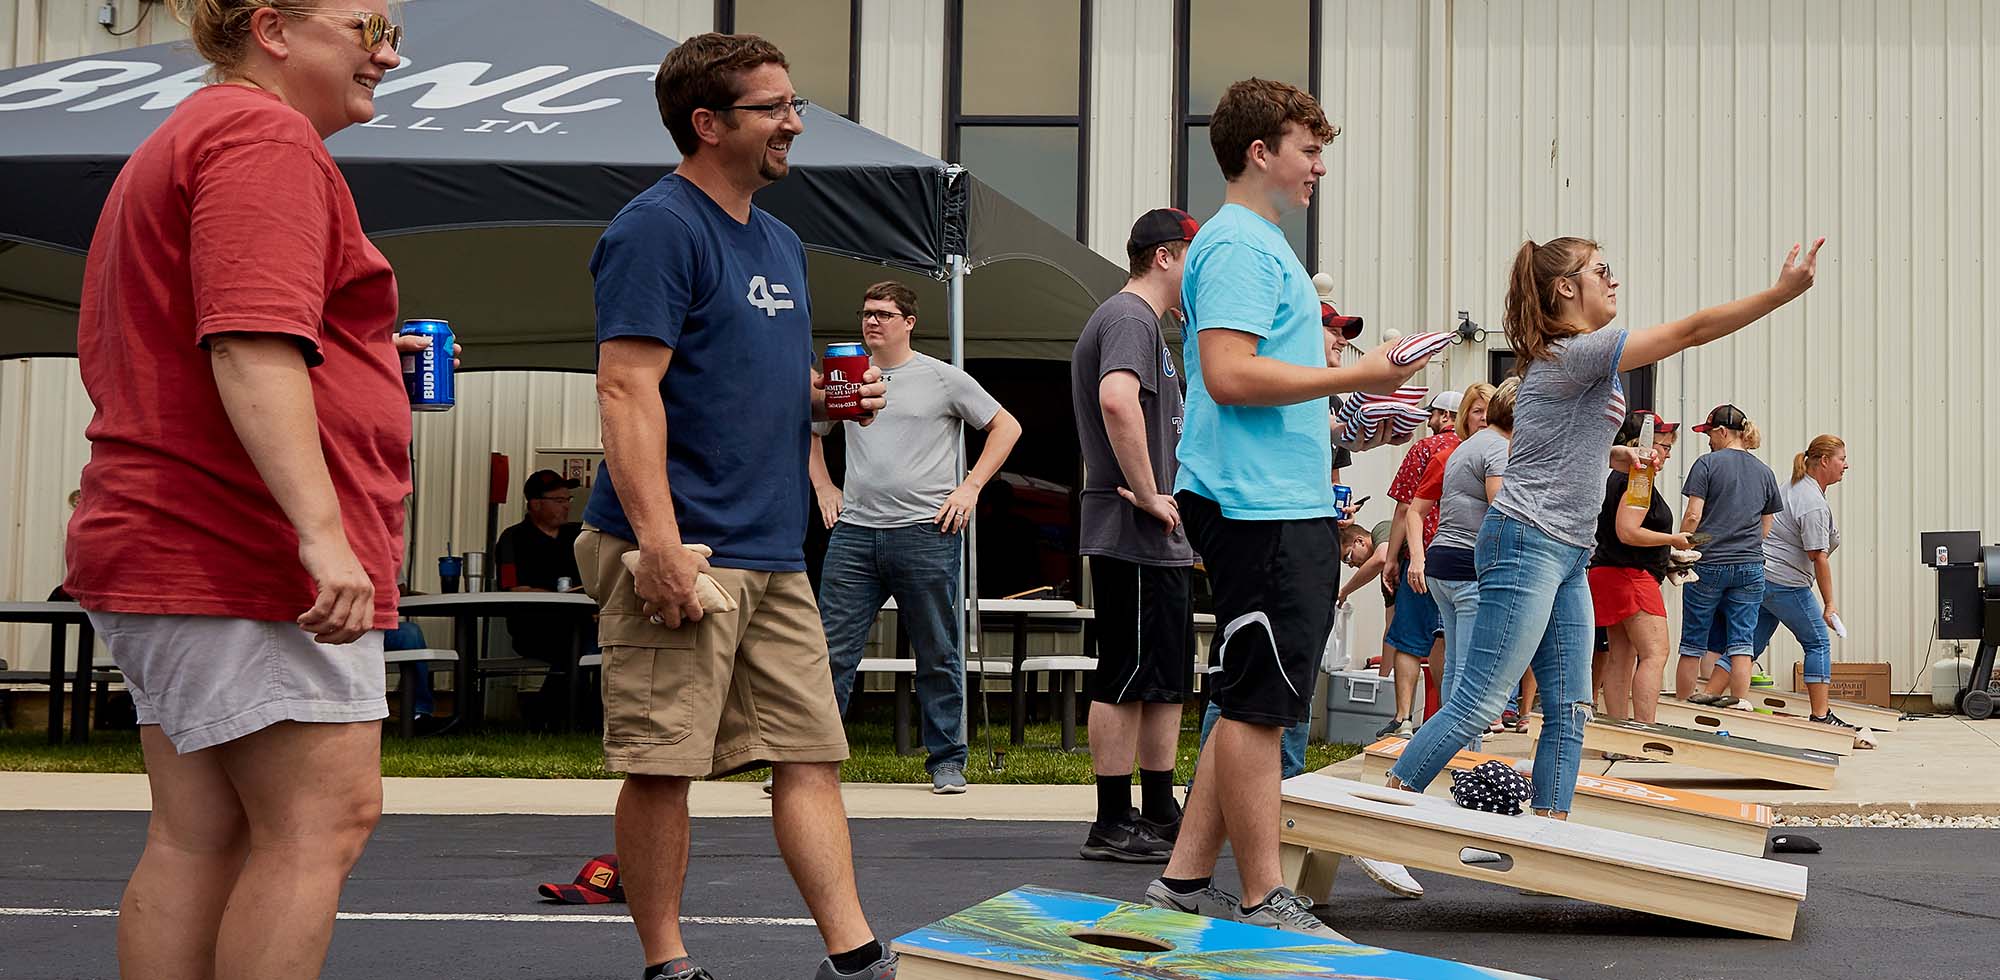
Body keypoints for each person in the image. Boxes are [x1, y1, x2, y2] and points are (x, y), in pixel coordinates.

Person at [61, 4, 421, 977]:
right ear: (272, 27)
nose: (388, 52)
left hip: (173, 532)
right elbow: (251, 341)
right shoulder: (263, 136)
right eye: (365, 25)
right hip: (234, 543)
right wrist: (323, 534)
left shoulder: (194, 132)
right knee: (322, 818)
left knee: (202, 833)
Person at [576, 33, 898, 980]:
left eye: (794, 105)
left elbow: (747, 376)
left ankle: (854, 956)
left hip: (773, 546)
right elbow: (626, 390)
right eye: (774, 109)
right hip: (682, 547)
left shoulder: (780, 240)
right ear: (708, 124)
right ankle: (666, 963)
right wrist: (659, 546)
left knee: (810, 753)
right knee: (663, 760)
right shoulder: (655, 228)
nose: (795, 123)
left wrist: (827, 400)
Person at [1386, 234, 1823, 822]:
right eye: (1601, 270)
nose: (1614, 280)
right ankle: (1388, 802)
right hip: (1527, 540)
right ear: (1566, 288)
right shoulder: (1578, 351)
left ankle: (1550, 831)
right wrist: (1778, 294)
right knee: (1482, 696)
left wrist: (1620, 459)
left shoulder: (1569, 360)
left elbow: (1553, 443)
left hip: (1568, 549)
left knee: (1569, 708)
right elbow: (1690, 331)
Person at [1141, 76, 1432, 941]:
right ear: (1260, 153)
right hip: (1256, 506)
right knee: (1265, 703)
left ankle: (1185, 881)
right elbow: (1229, 376)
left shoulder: (1251, 244)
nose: (1319, 168)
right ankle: (1267, 897)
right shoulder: (1238, 246)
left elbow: (1256, 379)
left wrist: (1355, 408)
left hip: (1275, 500)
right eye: (1310, 150)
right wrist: (1362, 372)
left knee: (1247, 696)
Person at [810, 280, 1022, 795]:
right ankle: (810, 764)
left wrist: (970, 488)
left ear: (909, 322)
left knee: (937, 650)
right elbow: (810, 431)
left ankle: (948, 760)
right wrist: (823, 485)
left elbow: (1006, 426)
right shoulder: (847, 377)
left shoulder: (941, 378)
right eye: (865, 313)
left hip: (925, 531)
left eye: (883, 313)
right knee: (827, 651)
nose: (871, 321)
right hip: (856, 531)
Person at [1071, 208, 1200, 862]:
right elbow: (1118, 400)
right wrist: (1149, 492)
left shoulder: (1149, 324)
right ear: (1165, 257)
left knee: (1166, 677)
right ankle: (1112, 818)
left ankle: (1156, 807)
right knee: (1125, 674)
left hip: (1158, 536)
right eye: (1193, 259)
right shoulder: (1127, 318)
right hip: (1135, 529)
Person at [1407, 379, 1513, 741]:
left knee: (1455, 663)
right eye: (1476, 410)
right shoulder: (1484, 451)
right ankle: (1458, 748)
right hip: (1465, 563)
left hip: (1444, 562)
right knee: (1468, 669)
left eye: (1487, 410)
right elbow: (1501, 508)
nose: (1482, 417)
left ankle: (1442, 742)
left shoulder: (1459, 453)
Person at [1680, 404, 1786, 708]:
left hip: (1708, 565)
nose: (1709, 440)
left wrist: (1688, 545)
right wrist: (1743, 545)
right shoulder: (1764, 472)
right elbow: (1766, 526)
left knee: (1693, 643)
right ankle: (1739, 703)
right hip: (1750, 566)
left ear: (1723, 432)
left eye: (1710, 434)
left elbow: (1693, 516)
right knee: (1742, 642)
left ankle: (1687, 706)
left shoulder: (1707, 464)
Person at [1588, 411, 1690, 724]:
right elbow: (1627, 531)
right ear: (1644, 444)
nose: (1668, 453)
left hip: (1608, 572)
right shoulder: (1639, 477)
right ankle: (1644, 729)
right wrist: (1674, 539)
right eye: (1664, 445)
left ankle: (1618, 733)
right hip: (1630, 575)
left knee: (1622, 656)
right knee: (1656, 652)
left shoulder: (1614, 476)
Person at [1376, 390, 1462, 736]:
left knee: (1409, 639)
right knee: (1446, 639)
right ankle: (1442, 719)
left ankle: (1402, 719)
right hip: (1458, 558)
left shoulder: (1424, 450)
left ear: (1445, 416)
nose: (1430, 420)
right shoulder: (1477, 449)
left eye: (1434, 414)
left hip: (1420, 553)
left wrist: (1392, 558)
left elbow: (1404, 509)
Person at [1755, 435, 1853, 727]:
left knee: (1749, 645)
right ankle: (1821, 716)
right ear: (1824, 461)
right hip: (1786, 583)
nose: (1846, 465)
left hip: (1765, 577)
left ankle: (1711, 697)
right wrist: (1830, 605)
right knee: (1818, 643)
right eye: (1842, 459)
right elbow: (1818, 556)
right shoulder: (1811, 501)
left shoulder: (1794, 486)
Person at [494, 470, 588, 721]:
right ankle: (554, 715)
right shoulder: (513, 538)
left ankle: (556, 714)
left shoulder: (578, 537)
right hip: (533, 627)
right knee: (572, 647)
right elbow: (512, 589)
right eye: (559, 501)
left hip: (582, 623)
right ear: (535, 504)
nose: (567, 506)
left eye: (568, 500)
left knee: (592, 643)